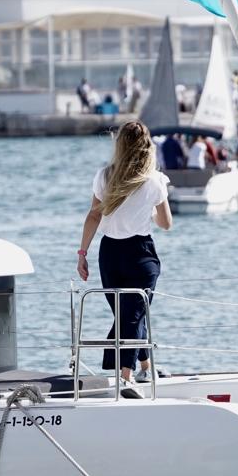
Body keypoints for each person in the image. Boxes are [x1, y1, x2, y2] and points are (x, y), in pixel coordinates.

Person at [77, 121, 172, 383]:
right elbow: (166, 224)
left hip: (110, 254)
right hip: (140, 253)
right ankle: (138, 372)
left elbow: (93, 216)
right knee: (130, 315)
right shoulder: (154, 180)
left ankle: (129, 374)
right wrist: (149, 209)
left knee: (130, 315)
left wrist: (82, 253)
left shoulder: (104, 176)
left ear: (119, 145)